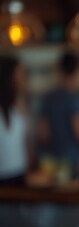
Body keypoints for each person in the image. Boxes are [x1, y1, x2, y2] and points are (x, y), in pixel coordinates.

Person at [37, 52, 79, 179]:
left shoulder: (48, 98)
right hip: (72, 162)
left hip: (52, 162)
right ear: (77, 71)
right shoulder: (73, 99)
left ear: (59, 70)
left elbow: (43, 134)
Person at [0, 55, 32, 185]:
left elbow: (25, 141)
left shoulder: (19, 104)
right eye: (19, 73)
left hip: (19, 172)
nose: (22, 78)